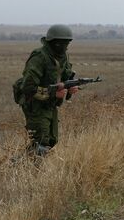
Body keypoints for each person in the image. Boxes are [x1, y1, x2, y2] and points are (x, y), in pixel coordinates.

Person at [17, 24, 79, 156]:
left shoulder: (62, 57)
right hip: (35, 105)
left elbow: (64, 78)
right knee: (40, 143)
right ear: (53, 42)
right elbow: (28, 87)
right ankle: (20, 169)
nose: (64, 46)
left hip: (51, 104)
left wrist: (70, 89)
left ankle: (22, 166)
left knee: (51, 140)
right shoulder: (39, 57)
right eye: (61, 43)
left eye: (67, 43)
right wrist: (53, 93)